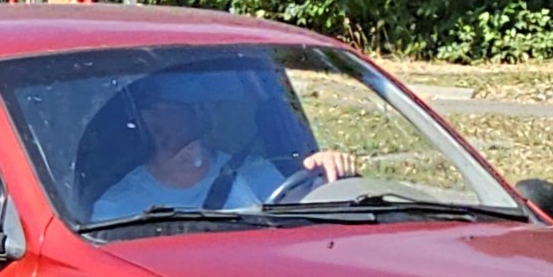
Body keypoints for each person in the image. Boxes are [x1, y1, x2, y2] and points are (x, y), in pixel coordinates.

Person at [90, 75, 357, 221]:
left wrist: (327, 176)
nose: (203, 110)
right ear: (148, 115)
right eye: (186, 105)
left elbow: (306, 225)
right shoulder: (116, 207)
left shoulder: (258, 174)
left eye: (205, 103)